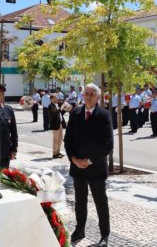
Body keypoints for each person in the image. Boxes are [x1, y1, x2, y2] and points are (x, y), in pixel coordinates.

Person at [64, 83, 113, 247]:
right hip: (77, 167)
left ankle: (104, 235)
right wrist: (74, 159)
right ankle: (80, 229)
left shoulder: (104, 115)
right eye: (86, 93)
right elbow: (68, 140)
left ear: (98, 97)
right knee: (80, 201)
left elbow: (108, 145)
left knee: (100, 202)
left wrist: (89, 160)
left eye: (92, 94)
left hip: (96, 167)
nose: (89, 96)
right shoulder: (76, 113)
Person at [0, 84, 18, 169]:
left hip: (5, 152)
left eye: (0, 94)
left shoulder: (8, 110)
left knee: (3, 178)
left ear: (2, 96)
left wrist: (14, 149)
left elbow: (14, 131)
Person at [48, 94, 66, 158]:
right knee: (56, 139)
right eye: (55, 98)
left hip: (60, 123)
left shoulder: (57, 105)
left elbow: (60, 113)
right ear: (52, 99)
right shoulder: (50, 106)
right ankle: (54, 153)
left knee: (60, 139)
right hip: (55, 124)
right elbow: (55, 112)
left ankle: (58, 152)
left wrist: (65, 109)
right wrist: (61, 108)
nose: (57, 99)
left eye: (57, 97)